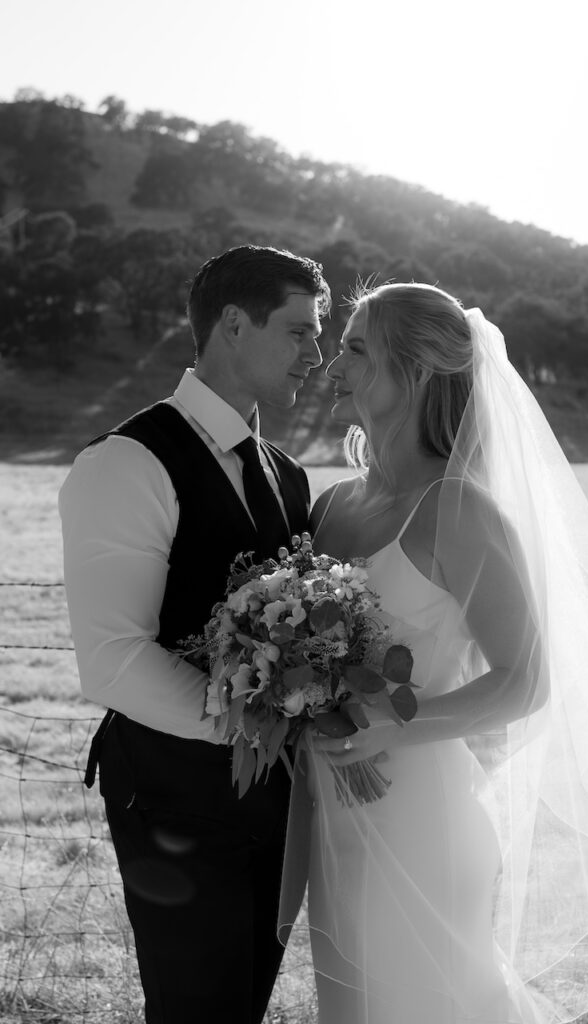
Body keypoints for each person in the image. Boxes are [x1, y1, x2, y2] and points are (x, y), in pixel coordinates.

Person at [278, 282, 588, 1023]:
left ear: (417, 372)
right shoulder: (332, 506)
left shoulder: (459, 509)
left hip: (422, 816)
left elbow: (525, 681)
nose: (334, 366)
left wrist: (392, 726)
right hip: (330, 812)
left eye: (355, 349)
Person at [59, 244, 331, 1024]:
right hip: (173, 799)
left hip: (276, 805)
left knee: (241, 1006)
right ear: (234, 326)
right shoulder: (127, 462)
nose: (315, 356)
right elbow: (112, 661)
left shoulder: (289, 473)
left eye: (320, 337)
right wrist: (254, 728)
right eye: (300, 332)